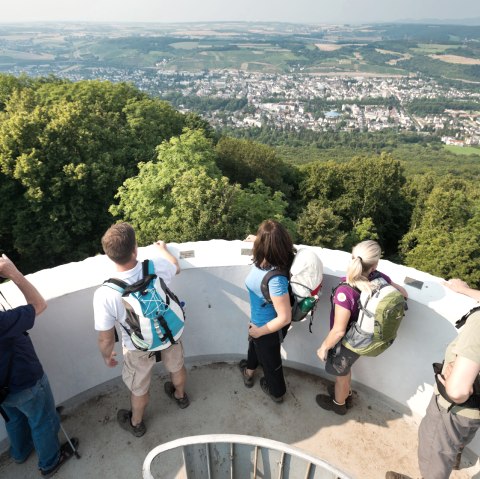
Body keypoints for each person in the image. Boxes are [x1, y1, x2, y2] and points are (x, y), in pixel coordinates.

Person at [93, 222, 188, 438]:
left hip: (138, 345)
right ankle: (181, 396)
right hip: (169, 333)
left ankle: (136, 423)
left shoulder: (106, 293)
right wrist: (163, 250)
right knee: (176, 367)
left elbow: (106, 338)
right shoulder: (155, 266)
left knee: (140, 386)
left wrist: (107, 357)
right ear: (135, 248)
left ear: (109, 255)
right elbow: (177, 266)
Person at [386, 278, 480, 479]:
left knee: (433, 454)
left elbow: (458, 391)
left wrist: (455, 387)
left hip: (455, 409)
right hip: (473, 411)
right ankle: (453, 456)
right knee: (458, 439)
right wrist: (465, 290)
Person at [0, 254, 78, 477]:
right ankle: (50, 463)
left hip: (2, 390)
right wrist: (13, 273)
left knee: (14, 418)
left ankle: (20, 452)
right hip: (24, 381)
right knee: (42, 421)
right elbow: (39, 305)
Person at [316, 240, 408, 415]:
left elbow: (338, 331)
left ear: (352, 258)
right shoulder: (379, 278)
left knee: (341, 375)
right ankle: (345, 392)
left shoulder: (345, 292)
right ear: (375, 265)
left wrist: (323, 347)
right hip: (364, 337)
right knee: (345, 369)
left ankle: (339, 404)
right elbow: (404, 294)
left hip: (347, 342)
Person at [239, 220, 294, 403]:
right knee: (254, 345)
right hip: (258, 322)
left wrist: (260, 331)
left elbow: (285, 317)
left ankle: (277, 393)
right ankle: (249, 372)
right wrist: (260, 239)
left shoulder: (275, 279)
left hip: (268, 328)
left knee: (271, 363)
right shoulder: (276, 258)